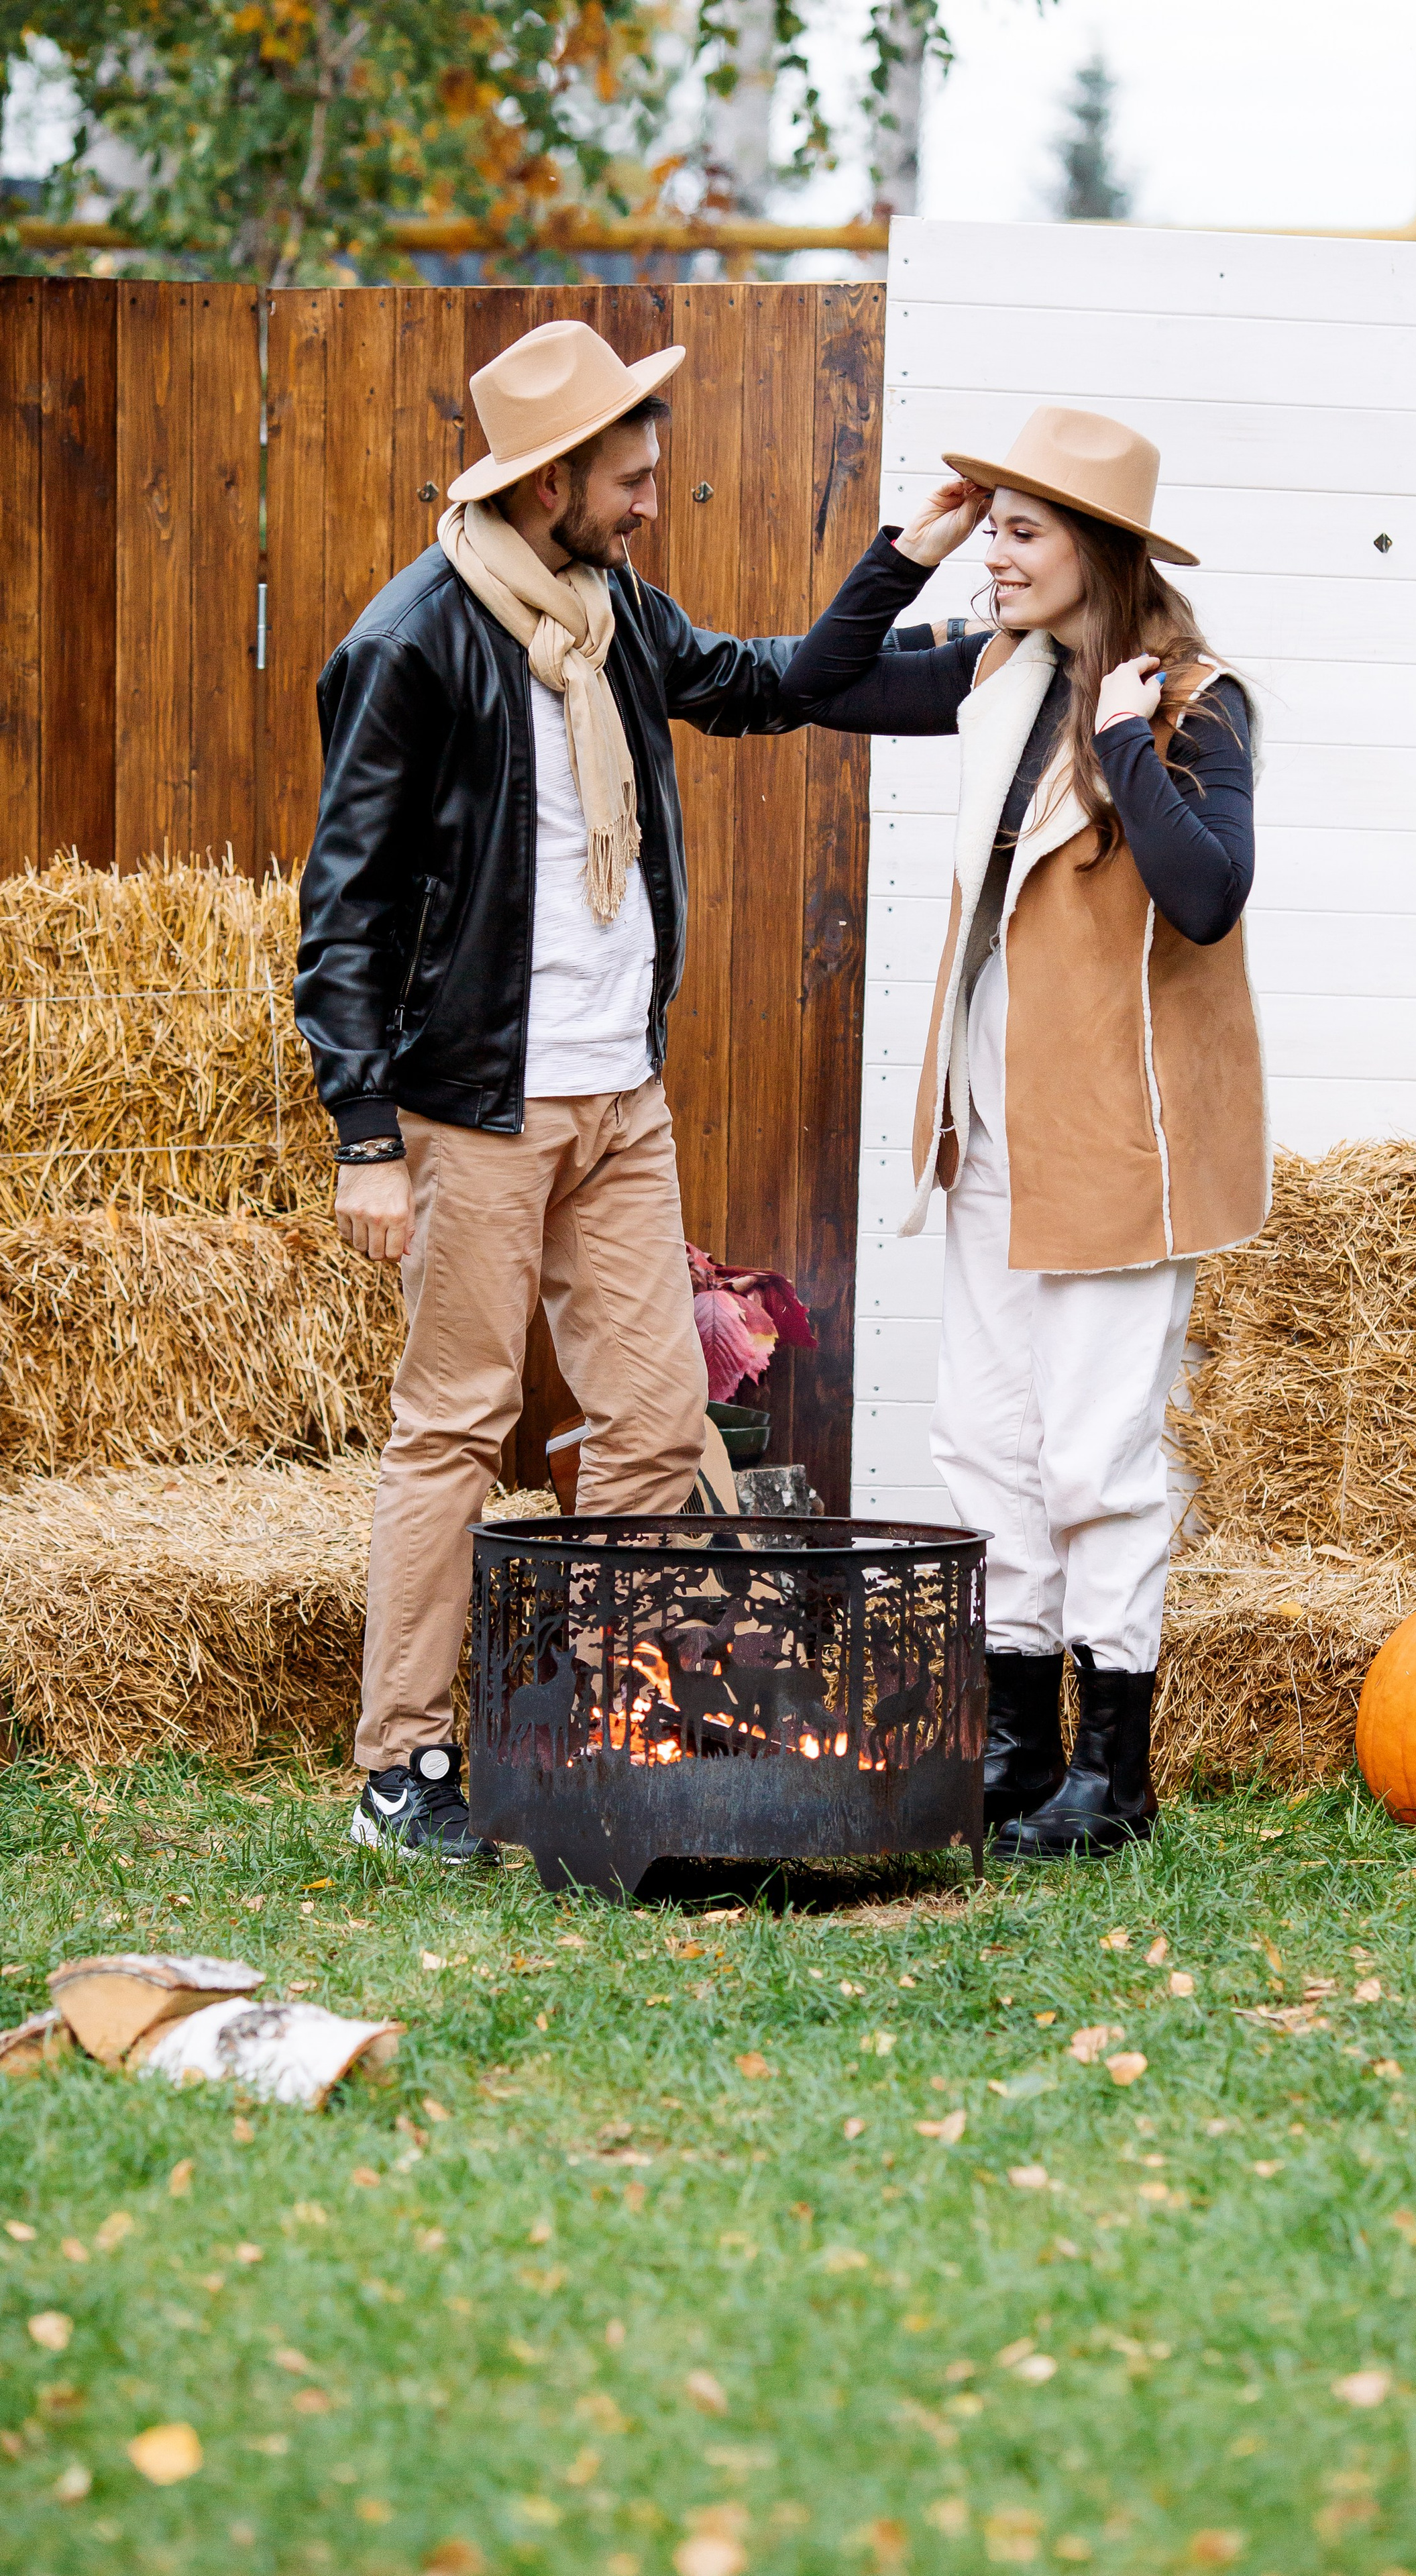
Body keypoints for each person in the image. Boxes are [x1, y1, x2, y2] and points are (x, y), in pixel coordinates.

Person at [294, 319, 832, 1864]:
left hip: (619, 1101)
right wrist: (365, 1135)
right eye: (632, 477)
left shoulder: (612, 619)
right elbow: (345, 906)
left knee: (657, 1434)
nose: (654, 500)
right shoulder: (414, 642)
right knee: (454, 1429)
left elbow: (766, 679)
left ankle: (625, 1725)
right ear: (549, 486)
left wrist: (910, 582)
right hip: (479, 1105)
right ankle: (401, 1770)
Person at [781, 407, 1268, 1858]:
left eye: (1016, 529)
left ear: (1094, 552)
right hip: (986, 1131)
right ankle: (1017, 1749)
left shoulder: (1189, 702)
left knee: (1095, 1457)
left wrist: (1123, 741)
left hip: (1121, 1140)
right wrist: (901, 552)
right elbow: (821, 682)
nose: (990, 554)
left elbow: (1205, 896)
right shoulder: (998, 670)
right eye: (986, 525)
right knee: (985, 1444)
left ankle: (1112, 1778)